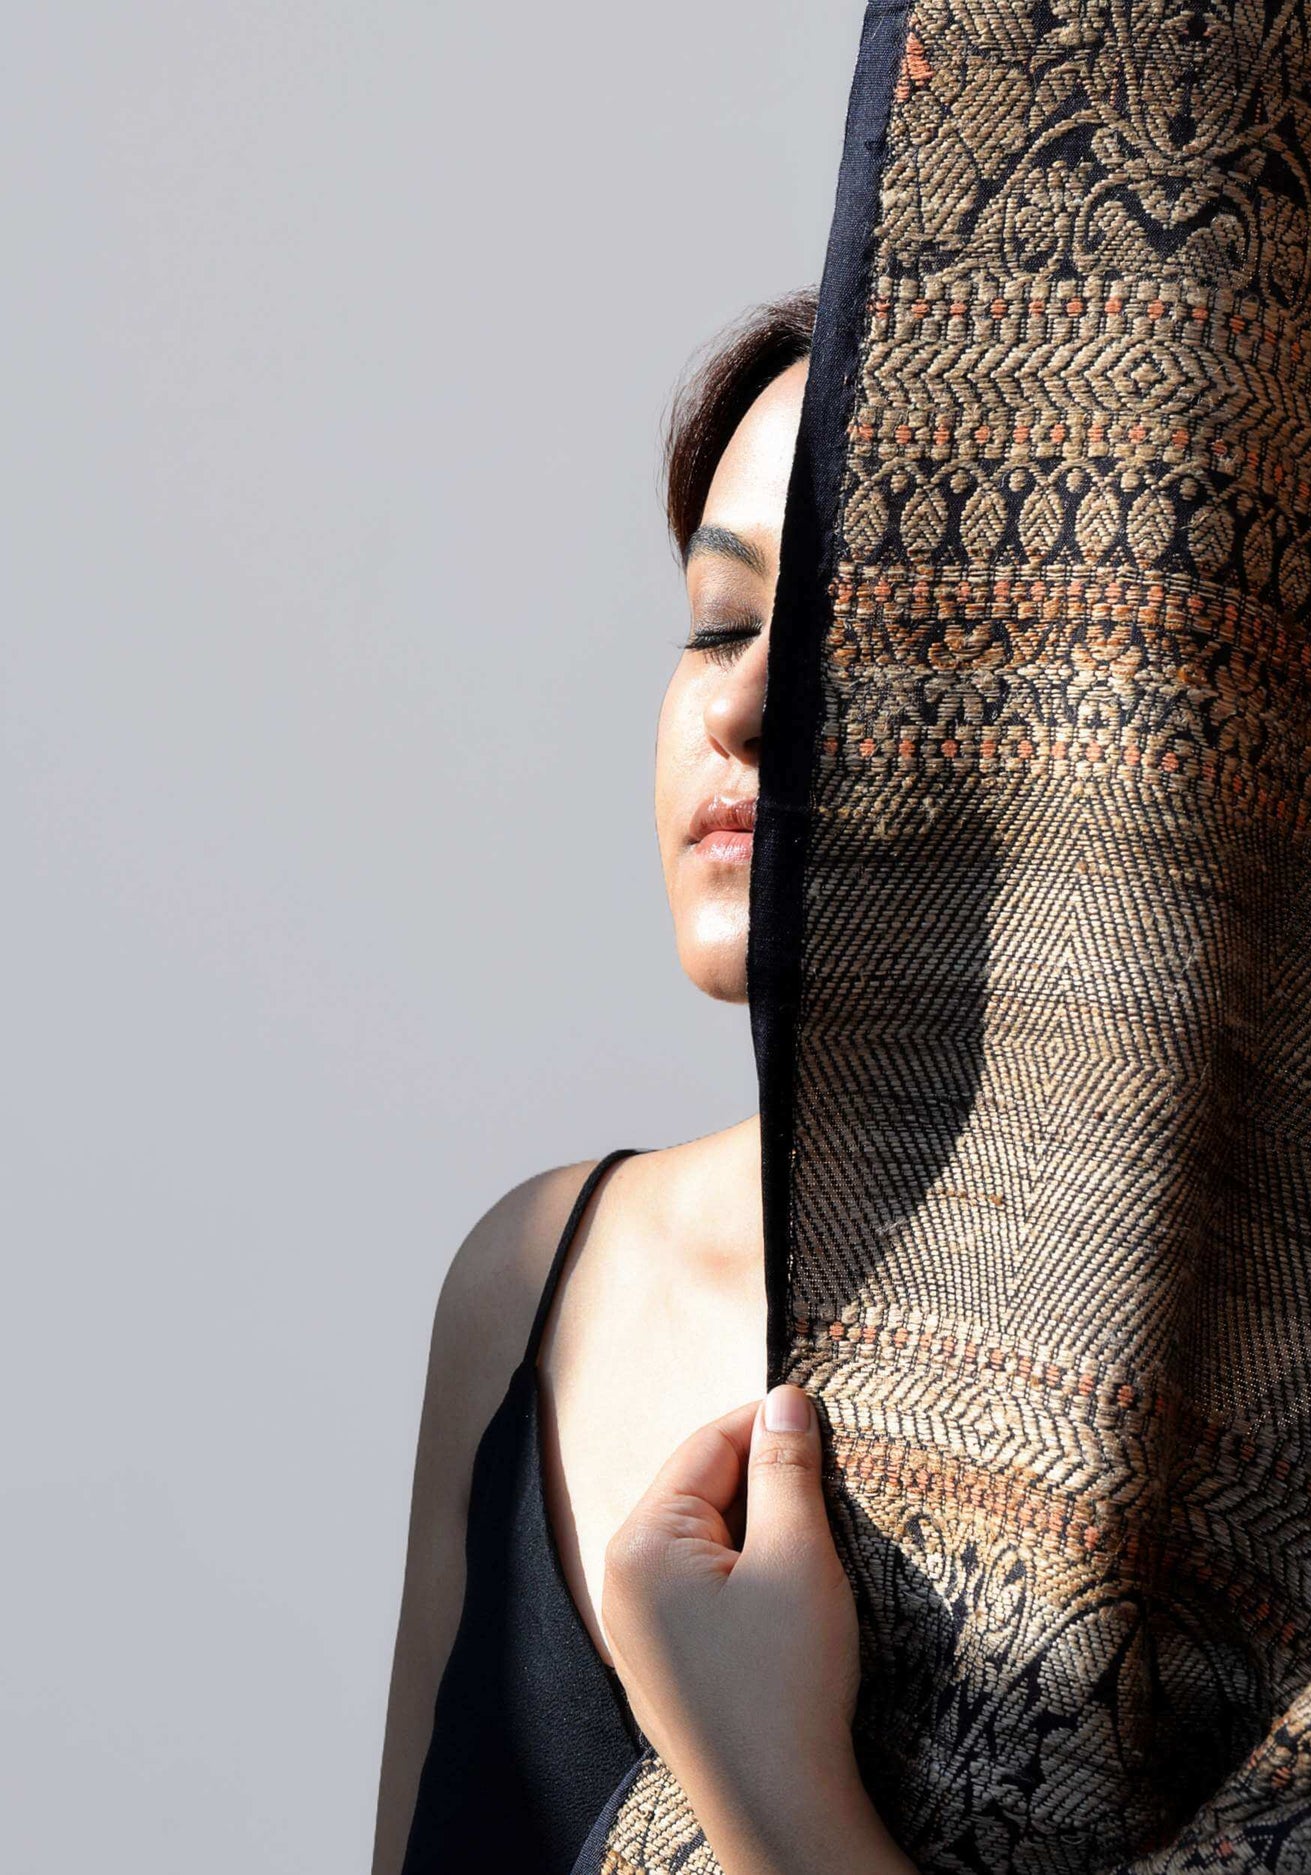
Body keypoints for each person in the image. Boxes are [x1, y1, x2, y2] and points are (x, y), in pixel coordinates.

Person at [371, 291, 920, 1875]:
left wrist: (773, 1790)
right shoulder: (536, 1280)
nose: (738, 705)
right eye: (717, 621)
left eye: (851, 630)